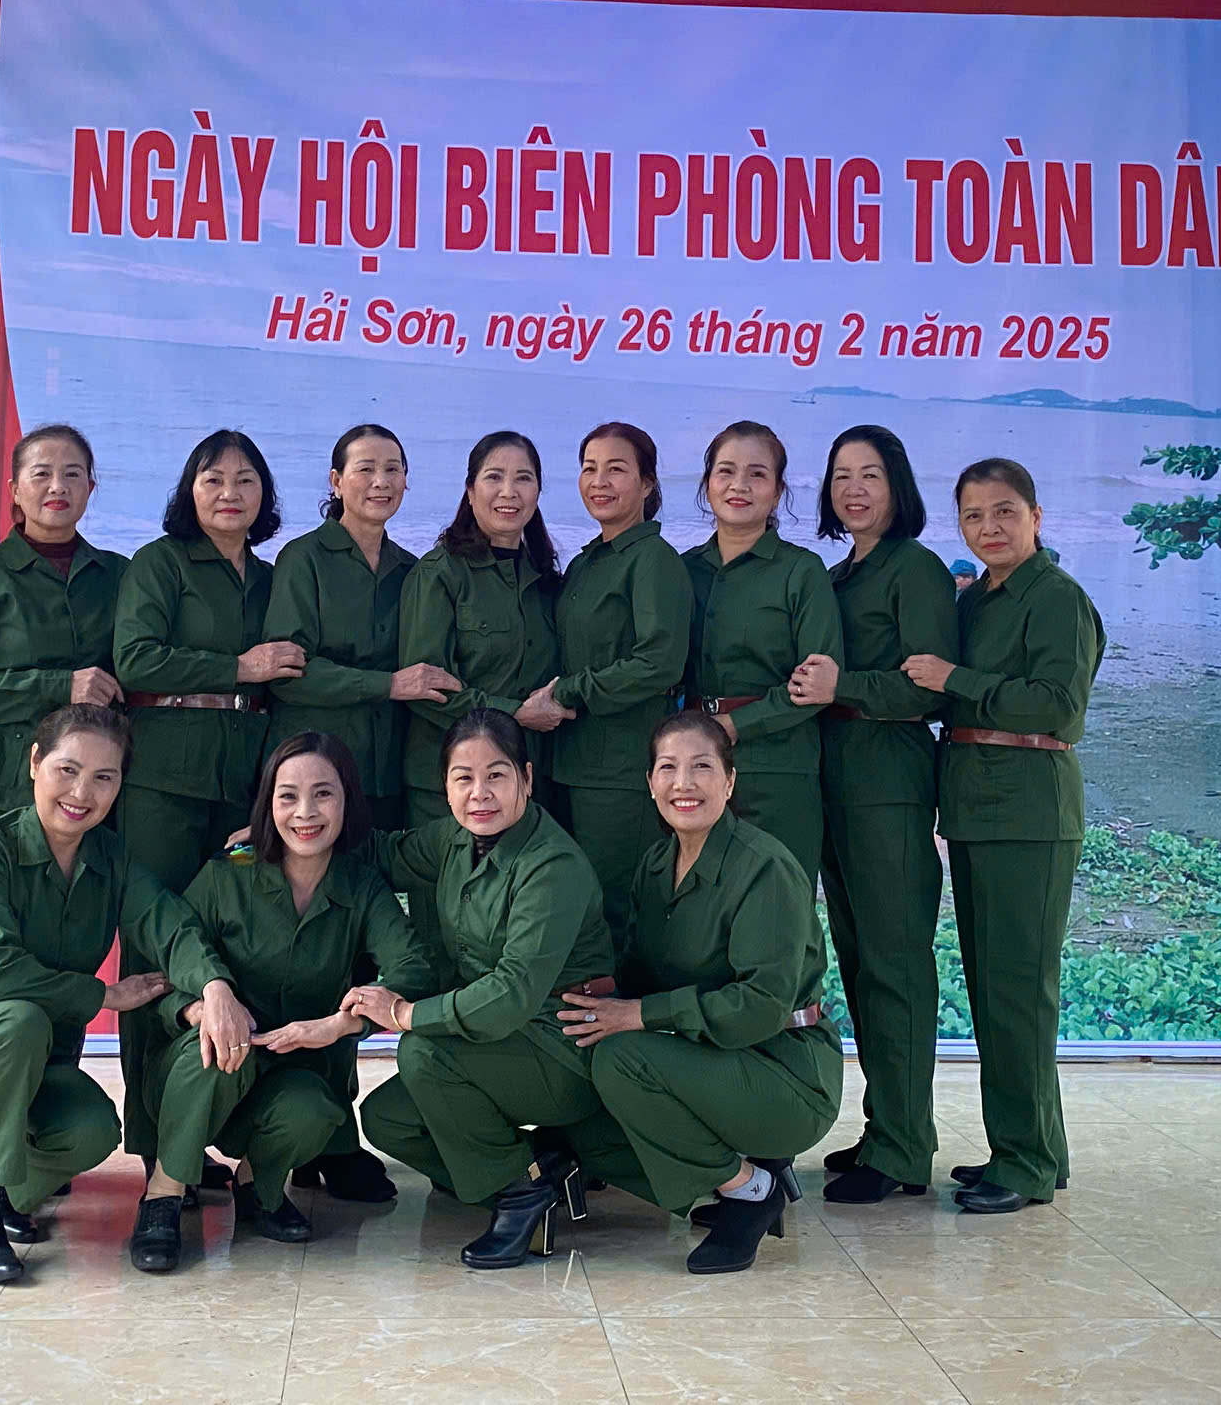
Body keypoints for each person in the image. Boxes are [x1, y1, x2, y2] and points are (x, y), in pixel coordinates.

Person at [0, 704, 252, 1283]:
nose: (82, 793)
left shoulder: (111, 859)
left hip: (27, 1062)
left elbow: (169, 924)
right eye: (67, 770)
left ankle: (2, 1196)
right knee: (18, 1018)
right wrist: (105, 997)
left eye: (104, 777)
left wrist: (215, 985)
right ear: (35, 763)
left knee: (89, 1130)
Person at [344, 710, 644, 1270]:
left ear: (526, 778)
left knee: (424, 1054)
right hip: (500, 1042)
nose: (479, 793)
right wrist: (281, 832)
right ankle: (545, 1169)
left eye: (496, 775)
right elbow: (382, 852)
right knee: (390, 1120)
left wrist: (405, 1012)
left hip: (563, 1045)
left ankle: (518, 1193)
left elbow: (511, 994)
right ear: (445, 786)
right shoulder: (455, 839)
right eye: (463, 778)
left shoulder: (551, 864)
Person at [260, 425, 458, 1203]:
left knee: (364, 956)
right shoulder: (304, 560)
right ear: (336, 479)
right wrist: (386, 685)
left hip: (384, 786)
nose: (380, 481)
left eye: (394, 469)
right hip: (313, 787)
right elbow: (290, 670)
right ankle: (320, 1134)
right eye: (365, 468)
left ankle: (337, 1135)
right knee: (312, 951)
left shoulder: (415, 570)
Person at [566, 711, 838, 1274]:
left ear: (730, 781)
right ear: (650, 783)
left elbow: (760, 1007)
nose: (683, 783)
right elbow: (639, 973)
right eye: (668, 768)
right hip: (709, 1060)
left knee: (621, 1059)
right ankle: (722, 1175)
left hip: (784, 1072)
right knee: (582, 1112)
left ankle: (751, 1189)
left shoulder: (765, 868)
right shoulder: (656, 864)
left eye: (702, 767)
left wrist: (639, 1014)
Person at [902, 457, 1102, 1215]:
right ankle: (1035, 1149)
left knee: (1018, 991)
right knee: (996, 988)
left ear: (1036, 517)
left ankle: (1024, 1163)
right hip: (979, 810)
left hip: (1029, 812)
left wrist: (955, 679)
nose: (989, 528)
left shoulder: (1056, 598)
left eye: (1005, 512)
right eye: (973, 516)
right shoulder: (981, 598)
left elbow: (1055, 706)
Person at [147, 731, 435, 1252]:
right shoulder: (230, 870)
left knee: (313, 1111)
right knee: (218, 1049)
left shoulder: (361, 885)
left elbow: (411, 967)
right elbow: (170, 957)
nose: (305, 813)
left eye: (323, 794)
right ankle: (162, 1195)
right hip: (201, 1079)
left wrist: (343, 1022)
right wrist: (203, 1004)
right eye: (288, 796)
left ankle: (259, 1186)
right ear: (268, 804)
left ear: (347, 800)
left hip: (297, 1073)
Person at [113, 428, 304, 1173]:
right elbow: (135, 660)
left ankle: (228, 1130)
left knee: (237, 945)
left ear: (265, 495)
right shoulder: (159, 563)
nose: (230, 493)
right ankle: (155, 1144)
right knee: (158, 950)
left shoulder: (272, 577)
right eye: (213, 479)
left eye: (245, 480)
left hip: (245, 788)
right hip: (163, 782)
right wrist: (237, 666)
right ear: (188, 490)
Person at [792, 425, 957, 1205]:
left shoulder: (915, 570)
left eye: (871, 475)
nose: (854, 490)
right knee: (860, 966)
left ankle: (904, 1148)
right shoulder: (838, 576)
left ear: (898, 487)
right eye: (841, 476)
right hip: (835, 779)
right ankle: (886, 1125)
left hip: (888, 779)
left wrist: (845, 687)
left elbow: (929, 690)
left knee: (895, 965)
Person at [0, 424, 126, 862]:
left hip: (88, 796)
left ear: (90, 489)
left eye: (72, 474)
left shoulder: (119, 576)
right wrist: (59, 686)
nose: (58, 486)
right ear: (15, 490)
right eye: (41, 474)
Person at [541, 421, 693, 938]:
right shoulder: (587, 561)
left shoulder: (654, 561)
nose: (599, 481)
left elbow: (660, 663)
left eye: (616, 469)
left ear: (647, 483)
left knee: (617, 913)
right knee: (574, 910)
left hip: (622, 772)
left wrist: (567, 692)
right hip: (569, 763)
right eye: (589, 469)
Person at [679, 422, 842, 882]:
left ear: (777, 492)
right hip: (696, 767)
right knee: (699, 903)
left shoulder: (802, 572)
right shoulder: (682, 571)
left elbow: (815, 684)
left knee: (778, 901)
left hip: (779, 770)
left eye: (757, 474)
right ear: (707, 484)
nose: (739, 485)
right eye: (726, 471)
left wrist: (735, 725)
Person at [394, 432, 562, 828]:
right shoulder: (439, 573)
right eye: (494, 477)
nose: (509, 491)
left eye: (523, 478)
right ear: (470, 491)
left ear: (538, 491)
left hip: (524, 780)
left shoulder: (545, 579)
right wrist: (516, 713)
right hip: (450, 785)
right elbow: (427, 689)